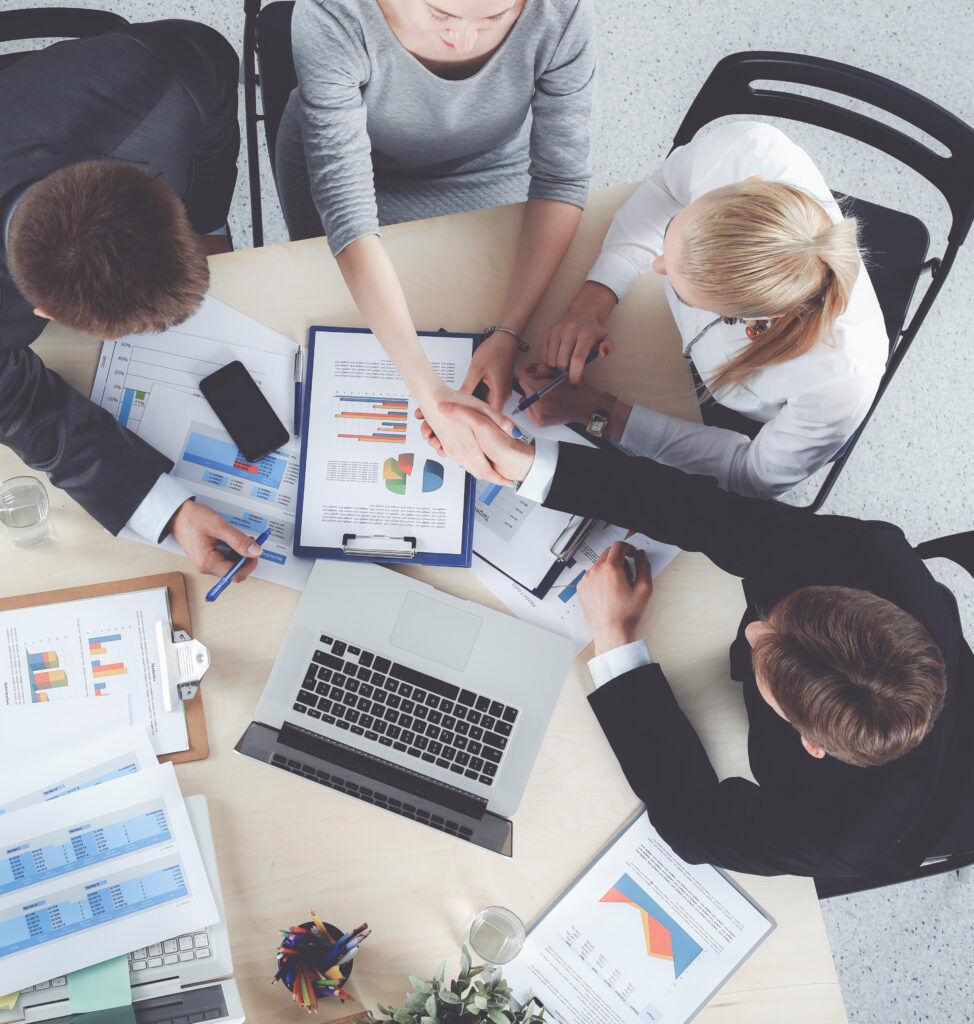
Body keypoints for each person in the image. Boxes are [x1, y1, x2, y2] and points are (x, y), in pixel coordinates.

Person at [435, 401, 970, 879]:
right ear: (858, 603)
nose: (755, 626)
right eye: (781, 614)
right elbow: (720, 520)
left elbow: (693, 822)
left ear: (811, 743)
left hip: (937, 815)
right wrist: (530, 465)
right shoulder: (875, 557)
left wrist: (614, 639)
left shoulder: (837, 837)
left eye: (761, 649)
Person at [0, 20, 264, 581]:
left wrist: (209, 222)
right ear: (42, 314)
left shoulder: (169, 79)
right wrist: (170, 511)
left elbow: (218, 93)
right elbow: (20, 407)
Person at [275, 0, 596, 483]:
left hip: (488, 168)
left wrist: (510, 332)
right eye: (439, 14)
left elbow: (561, 180)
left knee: (472, 304)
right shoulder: (330, 11)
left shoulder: (562, 11)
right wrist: (429, 391)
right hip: (361, 175)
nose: (464, 40)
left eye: (494, 18)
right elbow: (349, 212)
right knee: (348, 327)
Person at [530, 120, 889, 499]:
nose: (657, 267)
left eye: (688, 294)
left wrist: (597, 410)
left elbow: (749, 474)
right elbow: (667, 189)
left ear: (763, 318)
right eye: (673, 232)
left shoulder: (838, 385)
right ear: (749, 183)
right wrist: (593, 300)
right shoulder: (744, 147)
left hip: (728, 420)